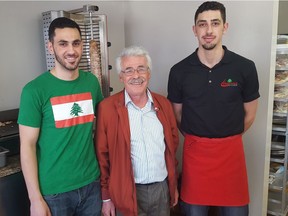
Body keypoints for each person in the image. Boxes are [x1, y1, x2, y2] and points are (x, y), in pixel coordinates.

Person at [167, 1, 260, 216]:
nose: (208, 30)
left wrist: (223, 139)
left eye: (215, 23)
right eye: (202, 24)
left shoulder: (245, 67)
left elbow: (250, 115)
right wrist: (202, 141)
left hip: (231, 157)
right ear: (194, 29)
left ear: (225, 27)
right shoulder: (179, 71)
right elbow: (177, 116)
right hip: (195, 159)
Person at [18, 17, 103, 216]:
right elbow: (27, 146)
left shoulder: (91, 83)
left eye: (76, 43)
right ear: (51, 47)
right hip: (54, 192)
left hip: (91, 184)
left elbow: (102, 126)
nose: (71, 51)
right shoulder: (34, 90)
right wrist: (35, 199)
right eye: (63, 44)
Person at [95, 45, 179, 216]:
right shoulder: (107, 108)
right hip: (125, 191)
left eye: (141, 69)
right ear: (120, 76)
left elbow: (172, 147)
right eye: (129, 70)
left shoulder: (164, 105)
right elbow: (102, 156)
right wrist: (106, 197)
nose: (136, 76)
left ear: (148, 73)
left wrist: (173, 185)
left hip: (161, 189)